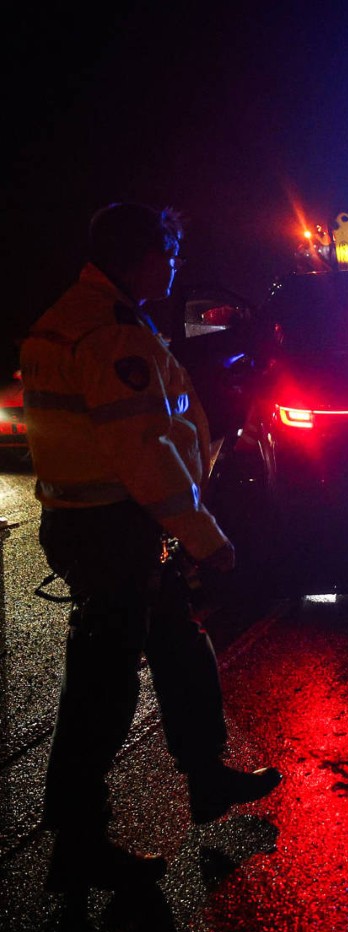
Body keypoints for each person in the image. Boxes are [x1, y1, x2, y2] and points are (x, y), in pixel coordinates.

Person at [20, 202, 281, 891]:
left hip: (87, 521)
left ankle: (206, 777)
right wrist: (205, 537)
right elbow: (145, 453)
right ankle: (76, 844)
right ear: (139, 258)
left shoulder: (68, 319)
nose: (172, 269)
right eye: (167, 256)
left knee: (176, 642)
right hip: (111, 530)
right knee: (102, 692)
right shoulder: (112, 337)